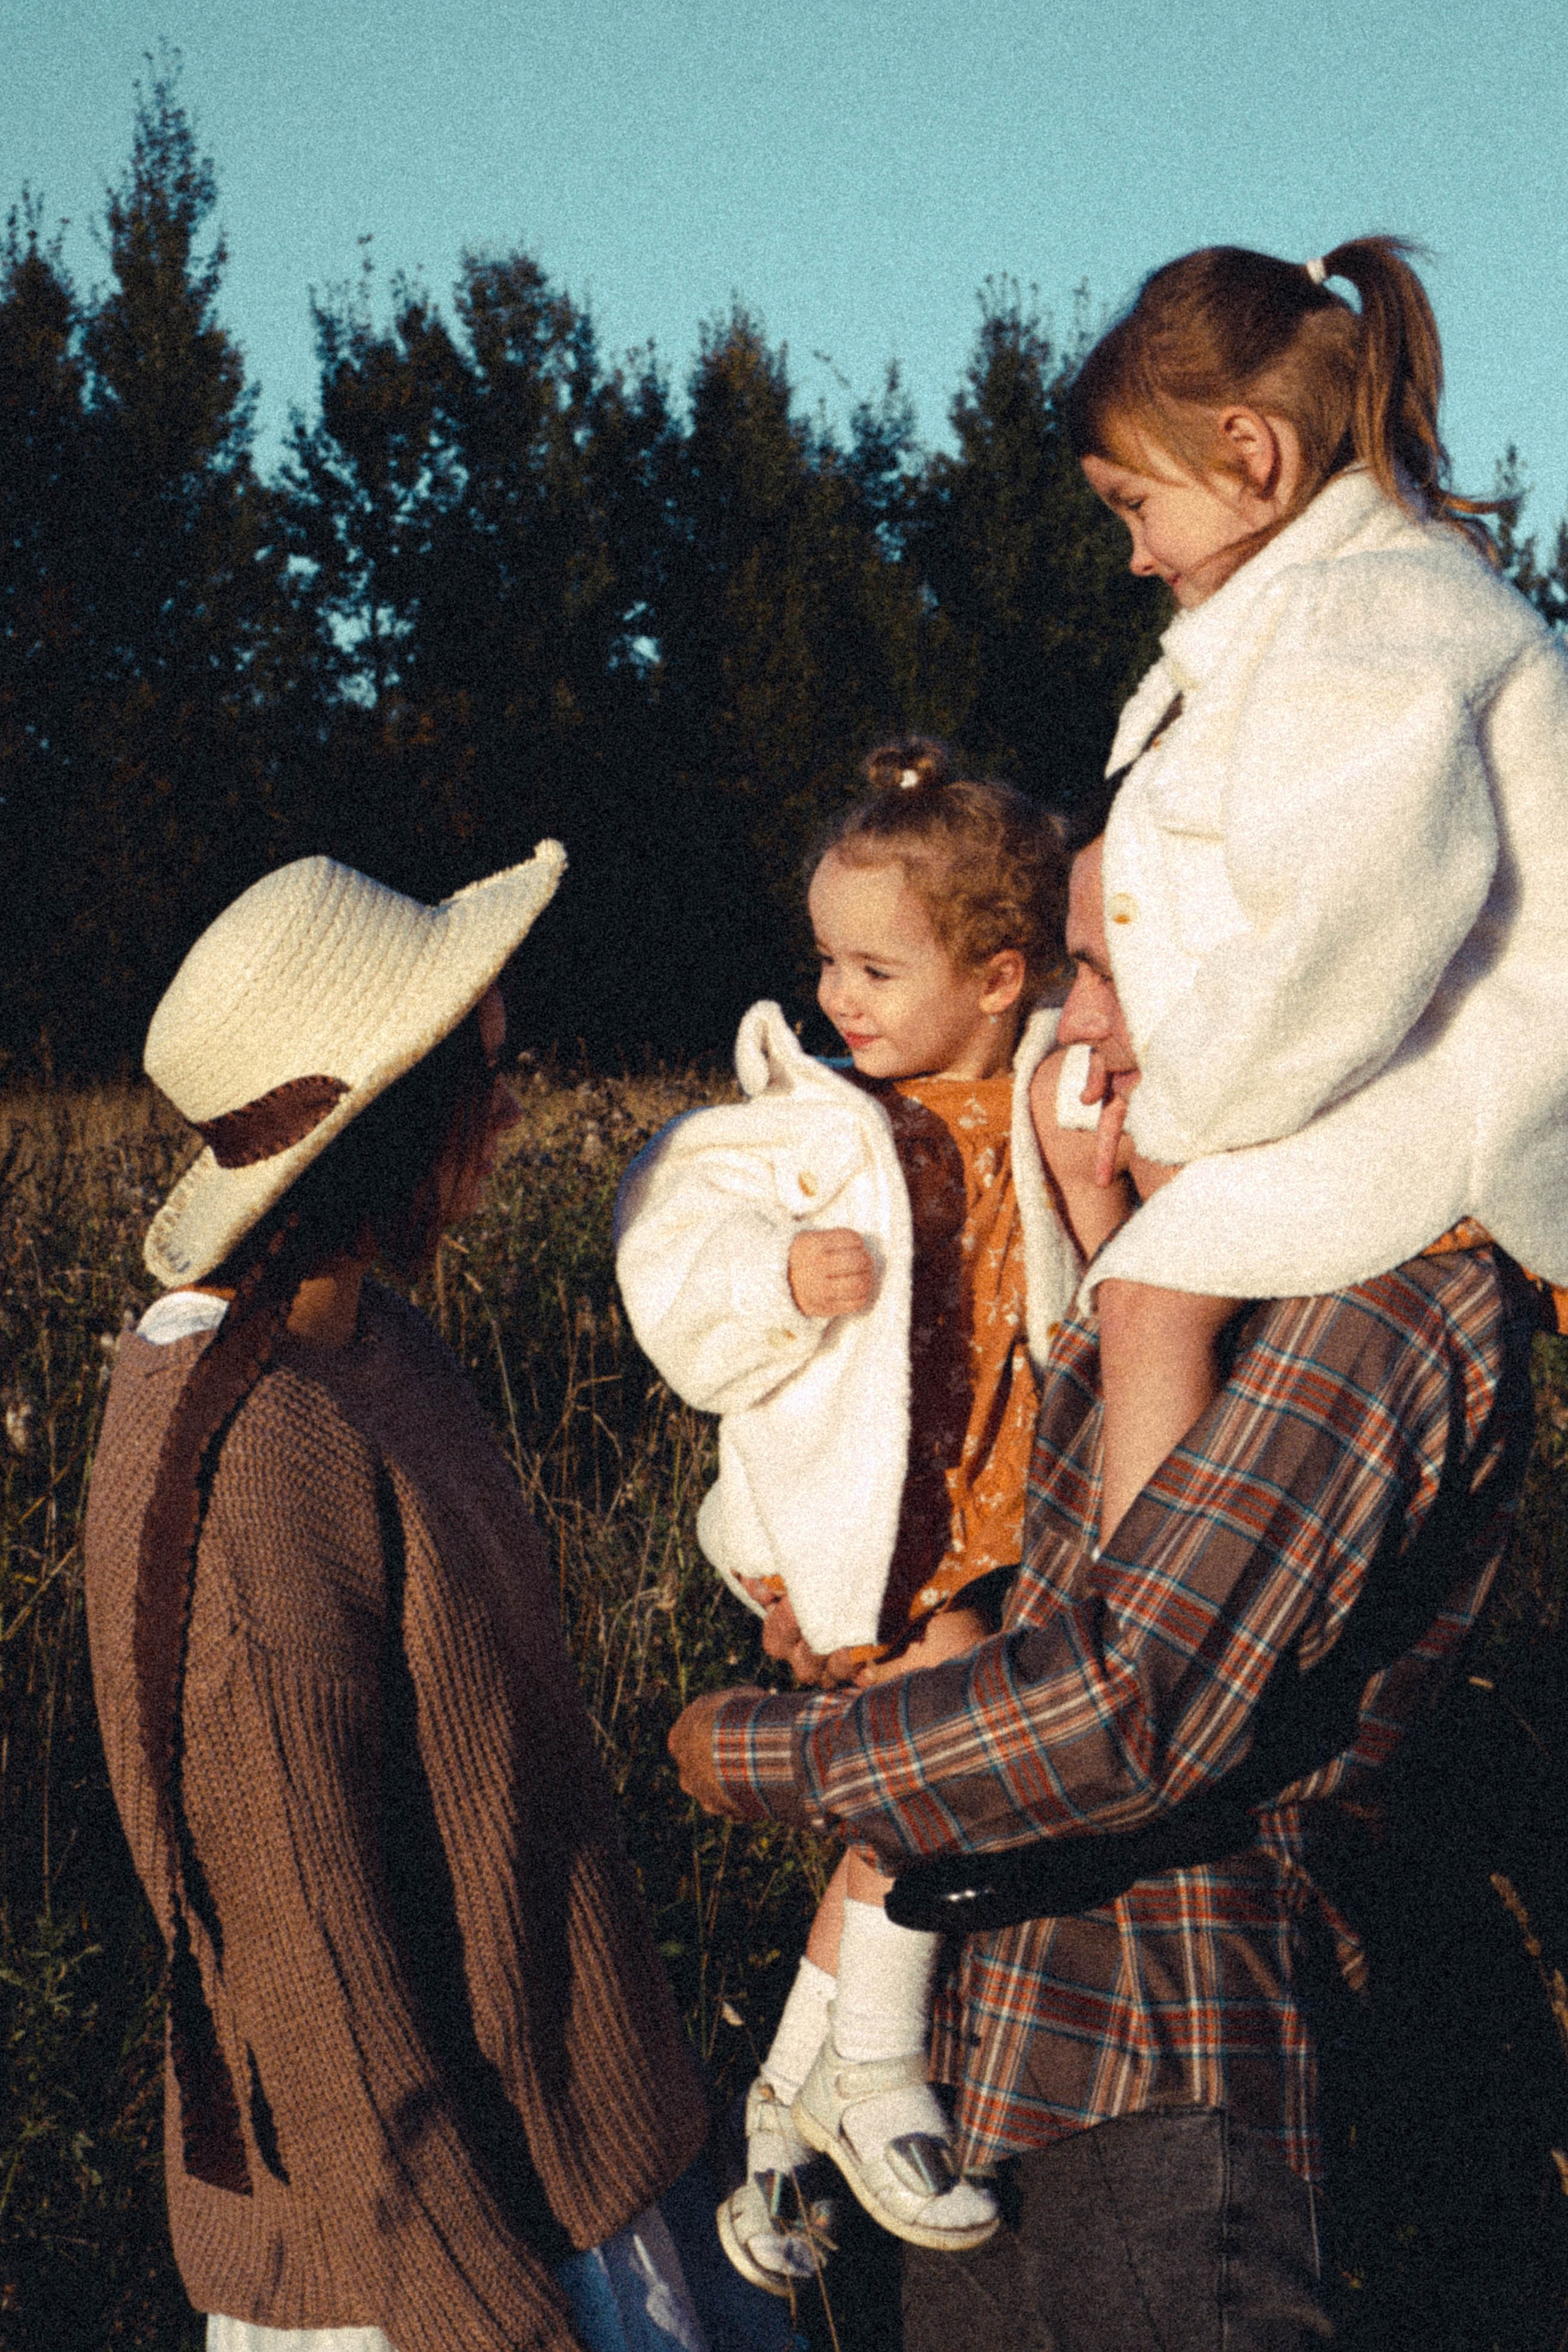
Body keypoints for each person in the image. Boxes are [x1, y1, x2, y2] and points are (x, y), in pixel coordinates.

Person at [666, 831, 1546, 2350]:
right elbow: (1052, 1587)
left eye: (1111, 969)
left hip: (1163, 2060)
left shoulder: (1382, 1295)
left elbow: (1123, 1709)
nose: (1078, 1025)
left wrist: (756, 1752)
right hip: (992, 2059)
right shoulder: (1188, 1246)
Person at [83, 847, 739, 2352]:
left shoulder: (375, 1344)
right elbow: (309, 1948)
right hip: (433, 2266)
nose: (519, 1103)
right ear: (385, 1116)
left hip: (565, 2179)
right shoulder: (246, 1453)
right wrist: (481, 2315)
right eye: (488, 1069)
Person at [615, 744, 1115, 2287]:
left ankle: (780, 2111)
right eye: (824, 958)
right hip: (882, 1523)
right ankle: (870, 2073)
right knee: (932, 1778)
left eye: (874, 967)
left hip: (1007, 1508)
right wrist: (773, 1277)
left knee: (927, 1789)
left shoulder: (1042, 1091)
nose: (836, 995)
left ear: (997, 976)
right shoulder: (815, 1121)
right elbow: (662, 1226)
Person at [1055, 236, 1568, 1546]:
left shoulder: (1361, 623)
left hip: (1445, 1114)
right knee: (1123, 1291)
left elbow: (1344, 932)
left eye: (1132, 505)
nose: (1132, 555)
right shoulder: (1339, 608)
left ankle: (1134, 1645)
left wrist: (1184, 1115)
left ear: (1250, 451)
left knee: (1149, 1287)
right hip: (1380, 1086)